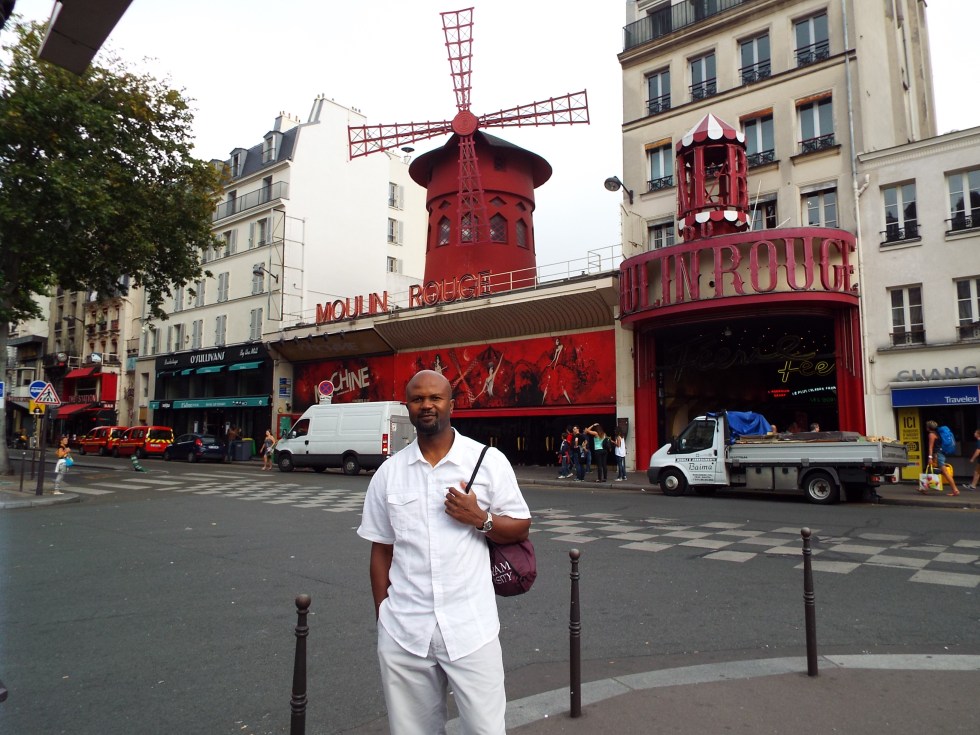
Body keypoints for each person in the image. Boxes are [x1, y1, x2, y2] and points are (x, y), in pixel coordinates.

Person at [357, 369, 531, 735]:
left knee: (485, 730)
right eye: (418, 399)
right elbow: (381, 550)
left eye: (435, 397)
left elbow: (521, 526)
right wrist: (383, 617)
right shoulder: (389, 474)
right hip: (404, 631)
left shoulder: (487, 461)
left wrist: (480, 518)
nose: (426, 405)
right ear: (408, 407)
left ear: (452, 405)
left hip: (472, 628)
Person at [924, 420, 959, 496]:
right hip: (940, 454)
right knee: (931, 470)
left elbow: (930, 447)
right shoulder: (937, 433)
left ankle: (955, 490)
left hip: (937, 455)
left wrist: (930, 457)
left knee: (945, 473)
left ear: (928, 428)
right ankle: (924, 488)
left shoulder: (931, 435)